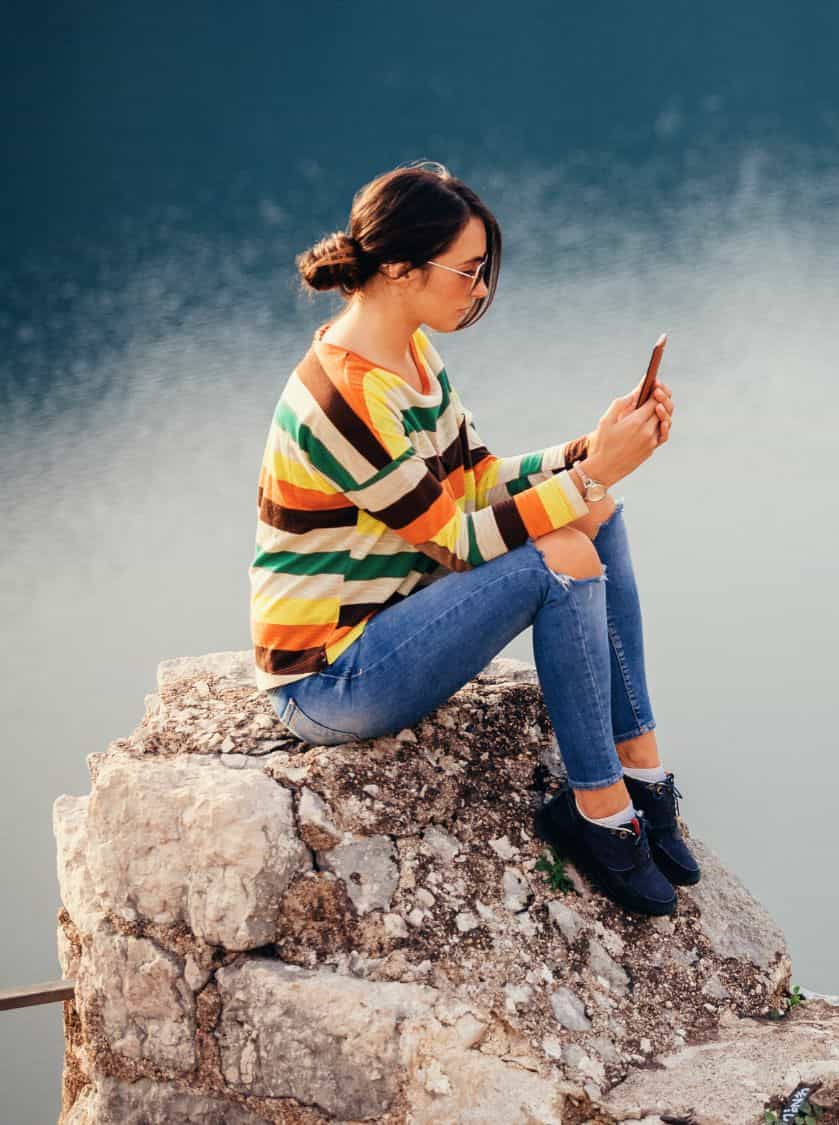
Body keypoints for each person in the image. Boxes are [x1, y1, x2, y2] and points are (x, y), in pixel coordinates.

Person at [250, 160, 697, 916]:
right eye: (469, 270)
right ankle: (597, 813)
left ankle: (637, 764)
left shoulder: (413, 355)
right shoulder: (343, 398)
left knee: (597, 512)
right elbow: (456, 542)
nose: (482, 288)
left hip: (394, 624)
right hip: (329, 679)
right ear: (399, 269)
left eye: (485, 269)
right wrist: (584, 478)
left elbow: (479, 478)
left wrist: (589, 453)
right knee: (561, 559)